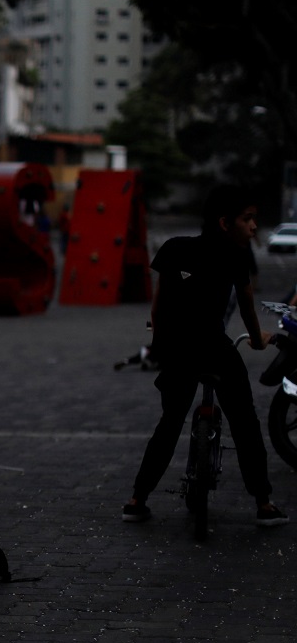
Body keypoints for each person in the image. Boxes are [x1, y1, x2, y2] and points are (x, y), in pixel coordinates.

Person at [122, 185, 288, 526]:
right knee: (245, 425)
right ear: (226, 223)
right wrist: (258, 340)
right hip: (214, 349)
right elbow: (247, 311)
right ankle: (264, 503)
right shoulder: (237, 256)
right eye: (248, 219)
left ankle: (137, 499)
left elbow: (159, 305)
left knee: (169, 424)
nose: (254, 226)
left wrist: (160, 341)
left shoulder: (174, 248)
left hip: (178, 350)